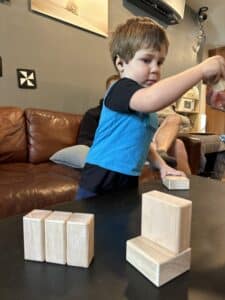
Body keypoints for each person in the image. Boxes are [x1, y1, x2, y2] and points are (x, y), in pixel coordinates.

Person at [76, 17, 225, 200]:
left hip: (128, 178)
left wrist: (163, 166)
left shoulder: (145, 107)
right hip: (100, 177)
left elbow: (142, 143)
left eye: (160, 62)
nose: (155, 69)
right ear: (120, 64)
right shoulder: (121, 88)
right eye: (146, 60)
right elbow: (153, 99)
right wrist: (200, 70)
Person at [77, 74, 120, 147]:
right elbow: (83, 141)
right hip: (99, 153)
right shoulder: (93, 114)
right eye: (113, 90)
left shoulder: (131, 118)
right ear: (106, 93)